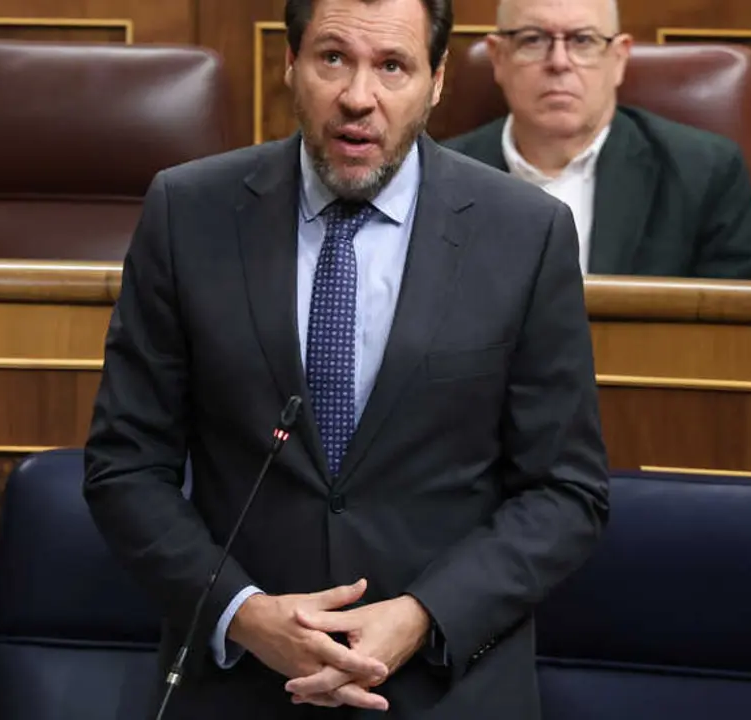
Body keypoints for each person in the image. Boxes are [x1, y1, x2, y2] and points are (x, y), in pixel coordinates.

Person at [81, 0, 610, 716]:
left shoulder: (526, 234)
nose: (358, 97)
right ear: (290, 64)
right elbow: (125, 465)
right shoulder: (189, 212)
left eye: (393, 66)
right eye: (333, 58)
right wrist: (243, 613)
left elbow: (565, 492)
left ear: (438, 80)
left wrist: (422, 614)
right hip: (242, 686)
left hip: (444, 687)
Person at [443, 0, 751, 279]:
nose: (559, 62)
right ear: (498, 57)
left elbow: (727, 337)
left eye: (583, 40)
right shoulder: (438, 178)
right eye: (533, 40)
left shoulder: (705, 174)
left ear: (619, 59)